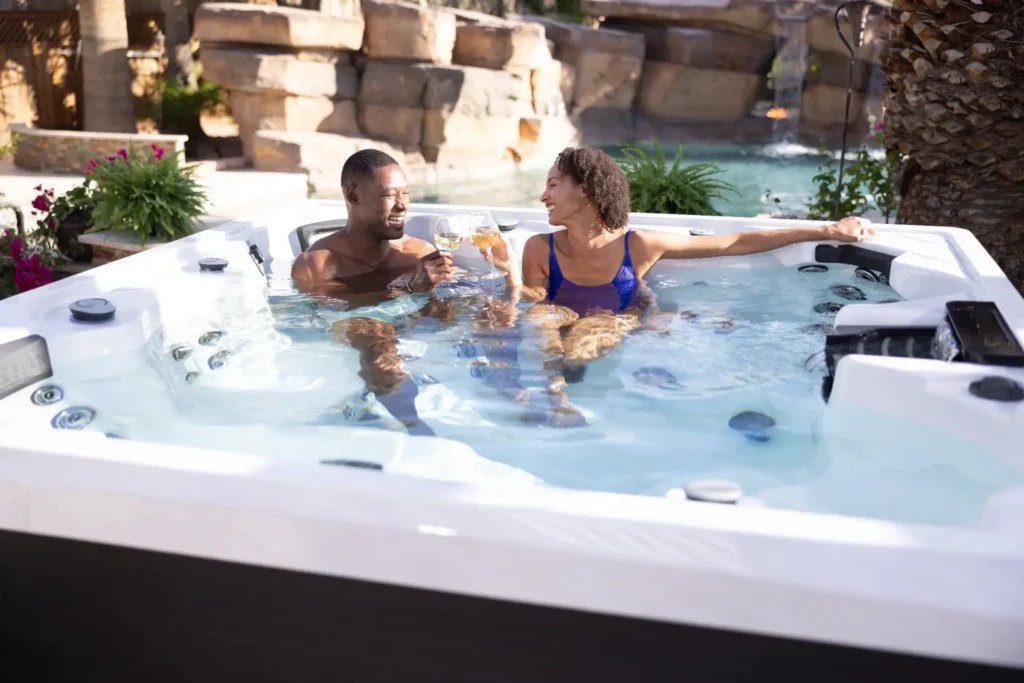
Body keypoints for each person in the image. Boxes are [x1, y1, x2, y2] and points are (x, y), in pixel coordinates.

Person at [483, 146, 875, 396]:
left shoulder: (637, 245)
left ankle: (558, 389)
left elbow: (734, 243)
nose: (543, 196)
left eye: (553, 185)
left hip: (613, 322)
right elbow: (532, 304)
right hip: (559, 322)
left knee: (587, 332)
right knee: (545, 319)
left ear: (584, 190)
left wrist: (827, 230)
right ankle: (554, 395)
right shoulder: (539, 247)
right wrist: (507, 276)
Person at [291, 149, 455, 436]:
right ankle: (415, 427)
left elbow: (442, 317)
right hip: (364, 334)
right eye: (390, 195)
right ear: (354, 196)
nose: (402, 206)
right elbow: (328, 314)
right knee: (371, 330)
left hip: (412, 336)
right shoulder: (316, 266)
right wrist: (409, 290)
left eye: (406, 194)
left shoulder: (420, 254)